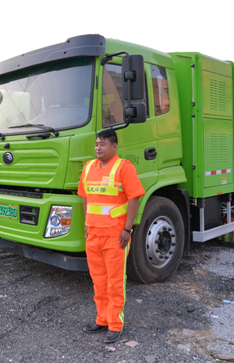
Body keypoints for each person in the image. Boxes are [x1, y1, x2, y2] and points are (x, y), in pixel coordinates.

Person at [78, 129, 145, 344]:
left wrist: (127, 229)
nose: (98, 147)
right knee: (98, 280)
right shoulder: (88, 167)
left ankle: (115, 325)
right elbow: (85, 197)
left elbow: (134, 198)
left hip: (116, 235)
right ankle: (102, 319)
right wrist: (87, 222)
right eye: (96, 143)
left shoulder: (124, 167)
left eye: (103, 144)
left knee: (115, 282)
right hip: (94, 234)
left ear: (114, 146)